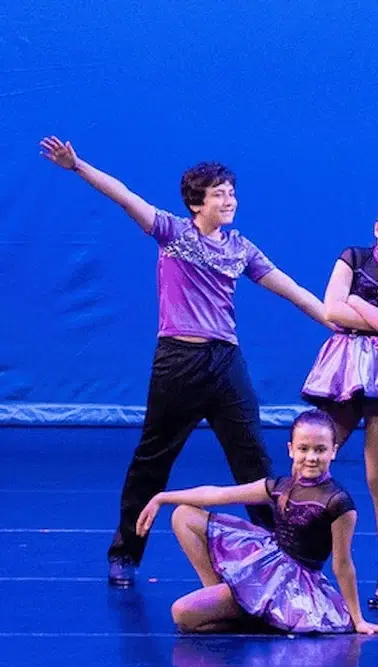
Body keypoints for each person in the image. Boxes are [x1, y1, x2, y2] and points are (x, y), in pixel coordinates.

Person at [39, 136, 332, 586]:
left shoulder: (241, 249)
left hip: (225, 363)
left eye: (232, 193)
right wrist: (78, 166)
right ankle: (125, 552)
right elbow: (124, 196)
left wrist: (336, 323)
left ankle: (282, 551)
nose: (229, 200)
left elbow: (292, 290)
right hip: (178, 361)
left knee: (253, 460)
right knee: (153, 459)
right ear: (197, 203)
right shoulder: (172, 234)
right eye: (219, 194)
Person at [136, 409, 378, 636]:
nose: (311, 457)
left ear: (334, 451)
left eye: (320, 450)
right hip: (266, 559)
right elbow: (218, 494)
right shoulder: (280, 486)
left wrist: (358, 620)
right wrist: (162, 497)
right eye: (304, 449)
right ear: (291, 449)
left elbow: (342, 565)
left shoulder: (338, 502)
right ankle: (226, 599)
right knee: (183, 515)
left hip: (291, 585)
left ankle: (245, 612)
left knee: (181, 613)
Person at [301, 195, 378, 609]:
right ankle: (296, 557)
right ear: (376, 228)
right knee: (311, 461)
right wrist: (366, 313)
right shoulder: (352, 257)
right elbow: (331, 309)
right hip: (342, 371)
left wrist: (355, 302)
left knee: (377, 474)